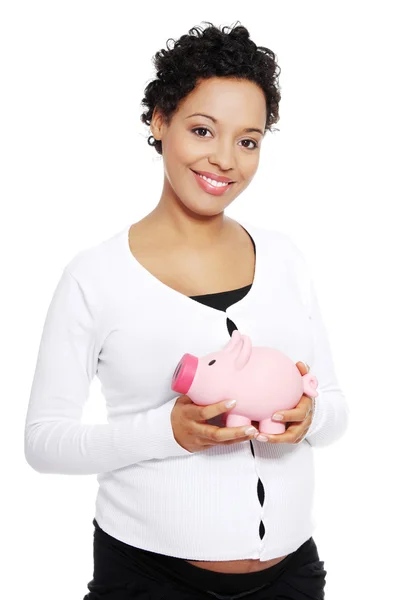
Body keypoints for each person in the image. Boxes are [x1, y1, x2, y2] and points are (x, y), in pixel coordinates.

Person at [24, 21, 349, 600]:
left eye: (248, 141)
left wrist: (309, 418)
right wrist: (167, 432)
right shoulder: (94, 276)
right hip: (150, 581)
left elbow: (336, 409)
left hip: (293, 576)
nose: (225, 160)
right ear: (159, 120)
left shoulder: (286, 258)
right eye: (203, 130)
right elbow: (44, 443)